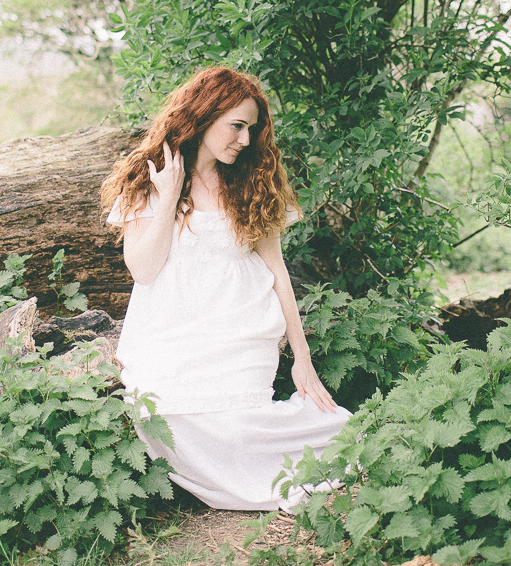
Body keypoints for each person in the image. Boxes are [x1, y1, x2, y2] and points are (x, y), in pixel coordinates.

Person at [101, 66, 350, 511]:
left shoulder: (250, 184)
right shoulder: (152, 174)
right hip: (169, 337)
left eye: (251, 129)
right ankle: (257, 475)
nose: (245, 139)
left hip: (241, 335)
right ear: (203, 115)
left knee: (237, 426)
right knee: (164, 419)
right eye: (237, 125)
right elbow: (143, 268)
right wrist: (169, 194)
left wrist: (303, 359)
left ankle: (338, 446)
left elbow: (277, 272)